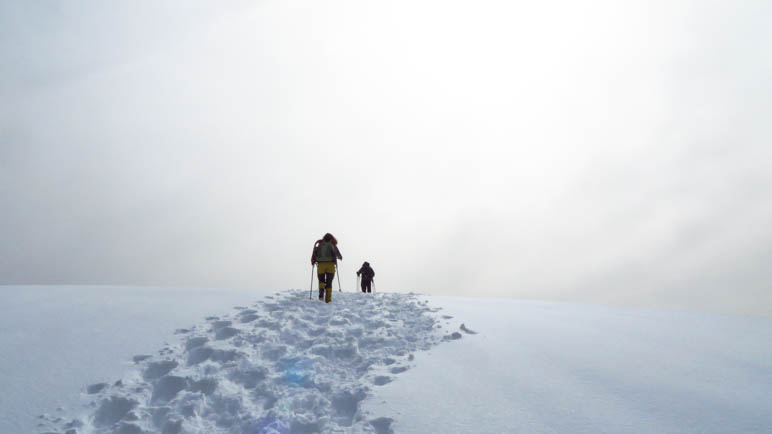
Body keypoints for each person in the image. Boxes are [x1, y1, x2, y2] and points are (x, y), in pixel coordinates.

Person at [311, 233, 342, 303]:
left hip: (321, 265)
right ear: (332, 238)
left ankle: (321, 290)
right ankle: (328, 300)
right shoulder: (333, 245)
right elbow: (339, 256)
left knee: (321, 280)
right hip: (330, 265)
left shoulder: (320, 244)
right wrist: (337, 257)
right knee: (329, 282)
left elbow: (315, 254)